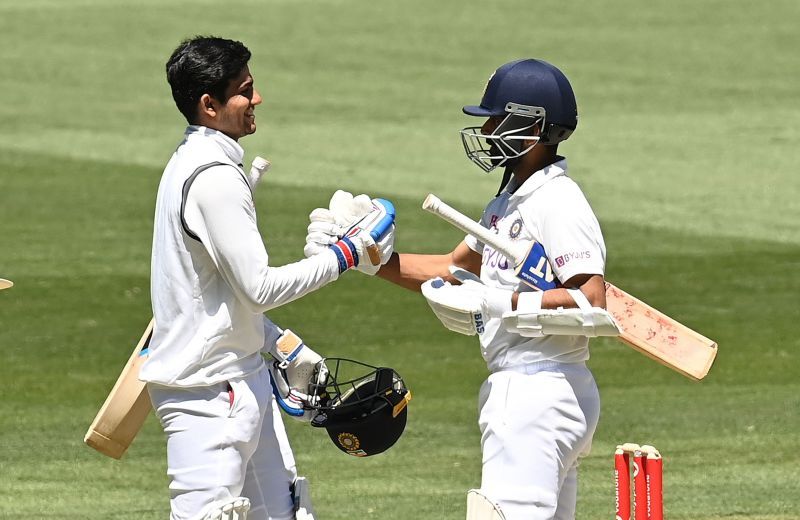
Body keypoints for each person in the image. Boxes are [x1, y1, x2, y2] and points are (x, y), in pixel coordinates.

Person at [307, 58, 607, 519]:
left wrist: (498, 302)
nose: (486, 129)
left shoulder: (557, 201)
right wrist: (363, 261)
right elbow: (451, 268)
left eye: (496, 119)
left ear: (532, 126)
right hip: (541, 389)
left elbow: (590, 298)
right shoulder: (509, 202)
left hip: (536, 391)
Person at [140, 36, 394, 520]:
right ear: (209, 105)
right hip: (207, 394)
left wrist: (277, 343)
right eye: (245, 90)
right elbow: (260, 288)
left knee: (285, 512)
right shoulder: (213, 177)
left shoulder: (195, 162)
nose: (257, 99)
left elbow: (216, 294)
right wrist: (347, 254)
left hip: (238, 379)